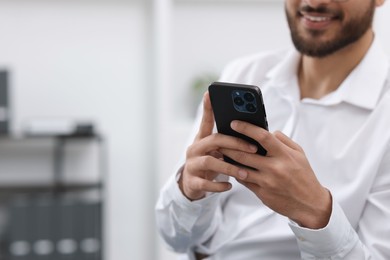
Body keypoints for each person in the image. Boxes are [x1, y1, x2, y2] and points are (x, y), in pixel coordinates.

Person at [156, 0, 390, 259]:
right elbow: (174, 239)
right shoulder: (244, 73)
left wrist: (316, 213)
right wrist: (189, 192)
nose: (313, 3)